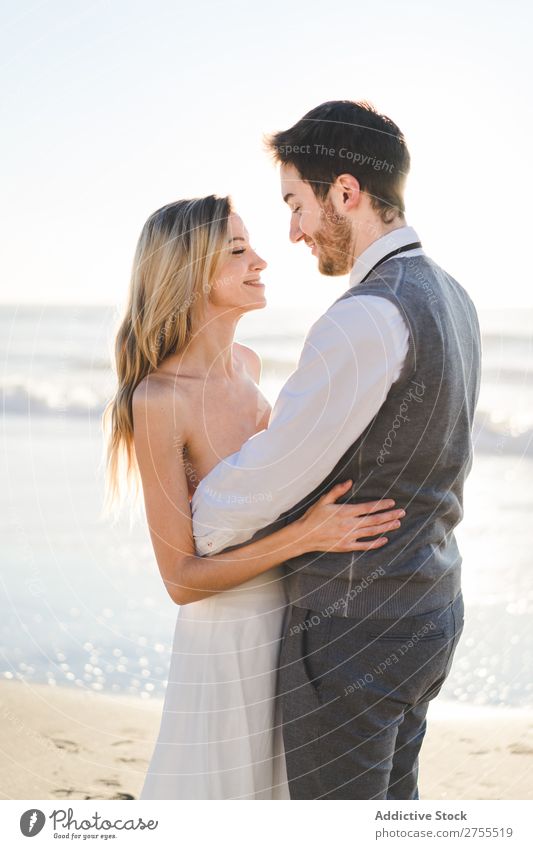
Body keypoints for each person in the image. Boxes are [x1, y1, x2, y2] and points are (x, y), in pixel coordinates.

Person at [191, 100, 482, 799]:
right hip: (430, 609)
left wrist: (197, 519)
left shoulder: (363, 318)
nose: (291, 231)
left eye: (296, 203)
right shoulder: (455, 296)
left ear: (345, 192)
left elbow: (273, 476)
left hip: (354, 631)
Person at [103, 194, 405, 799]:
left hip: (292, 630)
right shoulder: (159, 400)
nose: (262, 261)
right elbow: (181, 581)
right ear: (188, 272)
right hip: (224, 644)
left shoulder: (249, 363)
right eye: (239, 250)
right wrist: (311, 534)